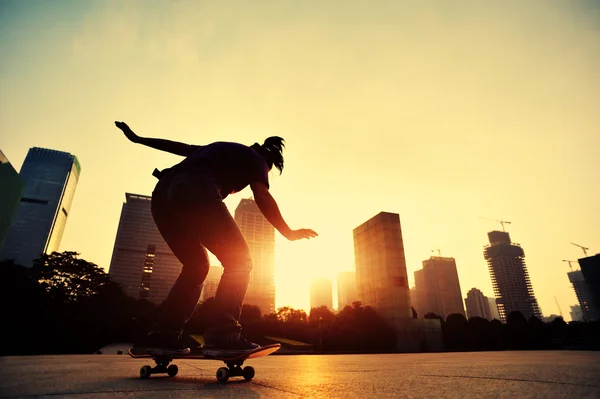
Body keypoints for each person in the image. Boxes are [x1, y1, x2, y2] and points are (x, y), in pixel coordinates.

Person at [115, 121, 318, 357]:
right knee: (240, 261)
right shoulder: (258, 159)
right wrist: (288, 232)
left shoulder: (218, 149)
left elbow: (178, 146)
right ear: (268, 161)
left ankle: (164, 336)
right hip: (195, 189)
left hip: (162, 195)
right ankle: (224, 334)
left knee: (196, 266)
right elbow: (262, 195)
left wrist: (138, 138)